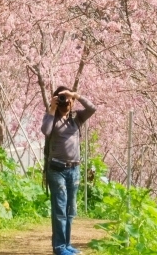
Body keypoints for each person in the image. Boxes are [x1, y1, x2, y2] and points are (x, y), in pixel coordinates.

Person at [41, 86, 96, 255]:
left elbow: (92, 108)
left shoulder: (77, 118)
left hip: (74, 169)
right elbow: (46, 131)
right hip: (56, 169)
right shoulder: (52, 117)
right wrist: (52, 109)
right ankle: (59, 248)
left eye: (67, 99)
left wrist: (75, 95)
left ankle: (66, 244)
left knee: (70, 210)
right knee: (60, 209)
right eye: (62, 99)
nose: (65, 102)